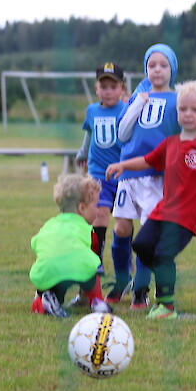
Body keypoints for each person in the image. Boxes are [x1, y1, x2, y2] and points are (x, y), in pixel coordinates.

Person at [106, 79, 196, 320]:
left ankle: (166, 305)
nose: (188, 114)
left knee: (162, 254)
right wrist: (122, 165)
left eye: (195, 110)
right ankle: (164, 270)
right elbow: (147, 161)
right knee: (140, 246)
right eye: (183, 109)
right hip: (164, 210)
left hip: (186, 216)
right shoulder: (169, 143)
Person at [106, 43, 181, 310]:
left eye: (163, 65)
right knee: (121, 227)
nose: (157, 70)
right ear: (145, 69)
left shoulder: (178, 100)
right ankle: (122, 280)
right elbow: (123, 134)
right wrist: (138, 101)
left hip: (156, 177)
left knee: (148, 234)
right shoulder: (138, 97)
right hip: (128, 171)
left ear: (172, 69)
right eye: (152, 65)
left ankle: (141, 289)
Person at [29, 173, 113, 318]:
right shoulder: (88, 230)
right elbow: (91, 259)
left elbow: (35, 243)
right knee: (94, 264)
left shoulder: (49, 225)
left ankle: (41, 300)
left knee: (50, 268)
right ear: (82, 208)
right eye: (96, 205)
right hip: (75, 271)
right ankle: (96, 301)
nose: (98, 211)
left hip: (46, 275)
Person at [75, 62, 128, 276]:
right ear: (96, 89)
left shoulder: (126, 111)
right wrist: (82, 153)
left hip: (123, 174)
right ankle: (96, 260)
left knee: (124, 221)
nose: (108, 91)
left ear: (122, 89)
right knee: (100, 214)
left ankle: (124, 258)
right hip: (98, 173)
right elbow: (89, 135)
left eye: (113, 87)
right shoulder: (92, 110)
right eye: (103, 87)